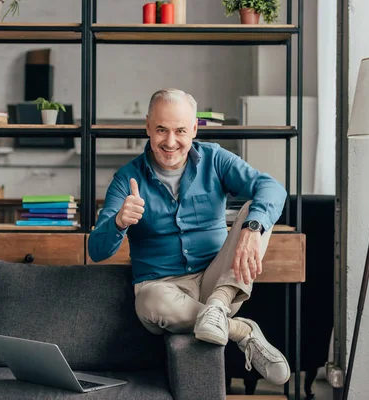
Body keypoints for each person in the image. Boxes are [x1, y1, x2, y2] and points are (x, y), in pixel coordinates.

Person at [88, 88, 290, 385]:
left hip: (219, 283)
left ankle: (219, 308)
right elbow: (96, 250)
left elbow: (272, 188)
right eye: (161, 130)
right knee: (148, 301)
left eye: (180, 130)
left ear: (194, 128)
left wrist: (252, 229)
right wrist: (119, 221)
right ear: (147, 127)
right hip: (164, 292)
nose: (171, 142)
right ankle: (241, 331)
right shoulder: (126, 178)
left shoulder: (215, 159)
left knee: (257, 212)